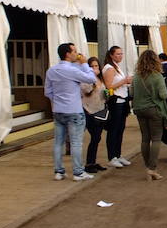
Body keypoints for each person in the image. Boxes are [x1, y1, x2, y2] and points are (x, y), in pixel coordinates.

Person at [44, 42, 98, 181]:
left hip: (58, 110)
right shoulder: (72, 71)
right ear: (68, 54)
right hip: (74, 109)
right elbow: (91, 78)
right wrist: (85, 64)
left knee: (58, 142)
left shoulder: (52, 70)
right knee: (76, 143)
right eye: (73, 51)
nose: (76, 53)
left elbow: (48, 91)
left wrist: (57, 101)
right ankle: (78, 172)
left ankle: (59, 171)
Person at [131, 49, 167, 181]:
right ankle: (152, 169)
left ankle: (147, 166)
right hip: (154, 109)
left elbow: (131, 94)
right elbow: (163, 95)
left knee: (145, 138)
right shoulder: (157, 76)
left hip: (139, 109)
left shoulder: (136, 76)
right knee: (156, 139)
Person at [101, 45, 134, 168]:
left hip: (123, 100)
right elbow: (109, 86)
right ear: (111, 55)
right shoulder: (109, 68)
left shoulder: (117, 67)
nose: (120, 56)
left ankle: (118, 154)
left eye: (121, 54)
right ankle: (112, 156)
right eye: (118, 54)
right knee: (114, 130)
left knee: (120, 129)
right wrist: (124, 81)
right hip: (115, 101)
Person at [80, 56, 110, 174]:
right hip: (89, 111)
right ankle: (89, 163)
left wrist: (107, 94)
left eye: (96, 66)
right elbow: (87, 91)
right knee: (95, 137)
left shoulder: (101, 79)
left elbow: (103, 93)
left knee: (97, 138)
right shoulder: (86, 79)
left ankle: (92, 162)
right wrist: (92, 79)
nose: (94, 68)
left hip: (100, 110)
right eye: (91, 66)